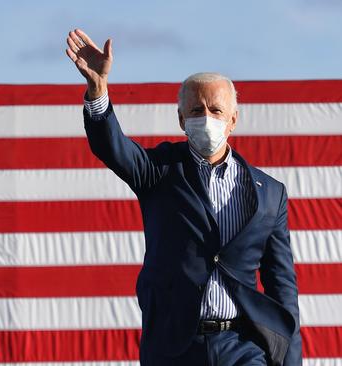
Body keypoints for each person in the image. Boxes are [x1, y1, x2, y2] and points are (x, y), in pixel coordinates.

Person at [65, 28, 302, 365]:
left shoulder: (271, 194)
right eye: (196, 110)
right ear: (180, 119)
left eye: (216, 110)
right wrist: (97, 90)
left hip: (243, 346)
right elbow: (112, 147)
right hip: (175, 346)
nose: (206, 119)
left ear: (233, 119)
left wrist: (291, 360)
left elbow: (282, 284)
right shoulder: (158, 171)